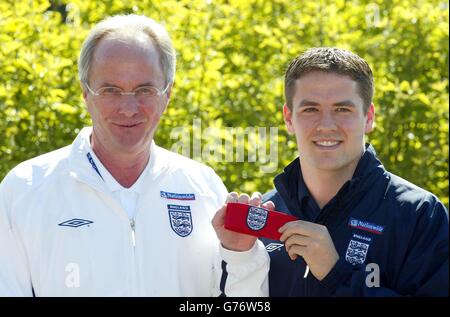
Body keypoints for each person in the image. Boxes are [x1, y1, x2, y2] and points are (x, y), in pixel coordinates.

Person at [0, 14, 269, 296]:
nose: (128, 108)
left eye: (145, 89)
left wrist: (242, 256)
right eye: (111, 90)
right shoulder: (24, 190)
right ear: (85, 94)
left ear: (167, 95)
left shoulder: (202, 188)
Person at [259, 47, 449, 296]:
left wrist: (336, 274)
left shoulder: (419, 215)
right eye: (310, 109)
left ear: (368, 117)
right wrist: (233, 257)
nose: (326, 125)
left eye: (342, 109)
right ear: (288, 118)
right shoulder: (264, 214)